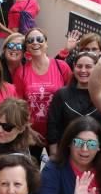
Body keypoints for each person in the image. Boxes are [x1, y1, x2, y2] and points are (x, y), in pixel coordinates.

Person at [13, 28, 73, 159]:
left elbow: (72, 97)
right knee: (32, 171)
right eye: (30, 40)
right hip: (33, 133)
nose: (35, 43)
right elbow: (18, 105)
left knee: (58, 169)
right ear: (27, 47)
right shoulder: (21, 72)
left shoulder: (61, 66)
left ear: (46, 44)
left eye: (39, 39)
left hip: (59, 131)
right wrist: (28, 129)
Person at [47, 51, 101, 158]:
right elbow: (53, 124)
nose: (83, 70)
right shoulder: (62, 94)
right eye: (79, 66)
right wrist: (54, 153)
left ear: (96, 68)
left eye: (88, 67)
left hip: (95, 154)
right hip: (65, 153)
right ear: (73, 67)